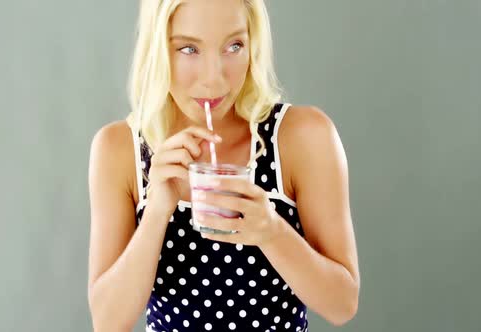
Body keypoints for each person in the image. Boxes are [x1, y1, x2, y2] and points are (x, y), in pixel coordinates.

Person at [87, 0, 360, 331]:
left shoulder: (302, 137)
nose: (214, 79)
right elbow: (107, 322)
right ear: (158, 49)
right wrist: (158, 212)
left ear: (253, 43)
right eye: (189, 49)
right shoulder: (118, 150)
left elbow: (342, 305)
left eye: (234, 46)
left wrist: (272, 232)